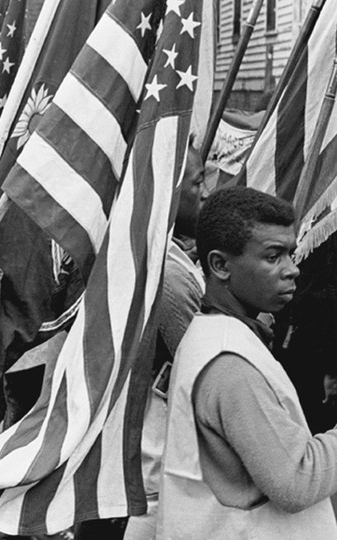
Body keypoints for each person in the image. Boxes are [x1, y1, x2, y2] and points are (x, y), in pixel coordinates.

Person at [158, 186, 337, 538]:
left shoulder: (218, 336)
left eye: (291, 254)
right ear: (220, 265)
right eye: (273, 257)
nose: (293, 270)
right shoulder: (229, 361)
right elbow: (296, 482)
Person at [123, 146, 206, 540]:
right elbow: (203, 364)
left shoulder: (159, 253)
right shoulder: (168, 277)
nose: (205, 193)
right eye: (197, 181)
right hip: (153, 453)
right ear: (168, 192)